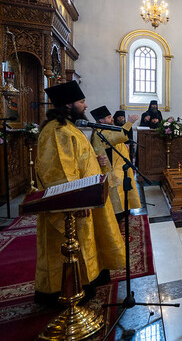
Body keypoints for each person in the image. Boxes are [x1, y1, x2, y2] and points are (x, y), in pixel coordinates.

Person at [35, 81, 125, 305]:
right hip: (73, 203)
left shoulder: (69, 128)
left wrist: (95, 160)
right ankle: (67, 289)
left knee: (86, 242)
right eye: (82, 101)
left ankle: (88, 279)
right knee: (72, 246)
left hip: (85, 196)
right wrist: (76, 200)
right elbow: (60, 173)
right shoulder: (57, 132)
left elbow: (76, 161)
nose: (86, 106)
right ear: (68, 104)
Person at [89, 105, 141, 215]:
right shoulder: (101, 131)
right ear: (101, 120)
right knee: (118, 198)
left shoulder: (105, 130)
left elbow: (116, 141)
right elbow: (118, 137)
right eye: (108, 117)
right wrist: (129, 122)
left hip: (119, 167)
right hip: (111, 172)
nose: (112, 119)